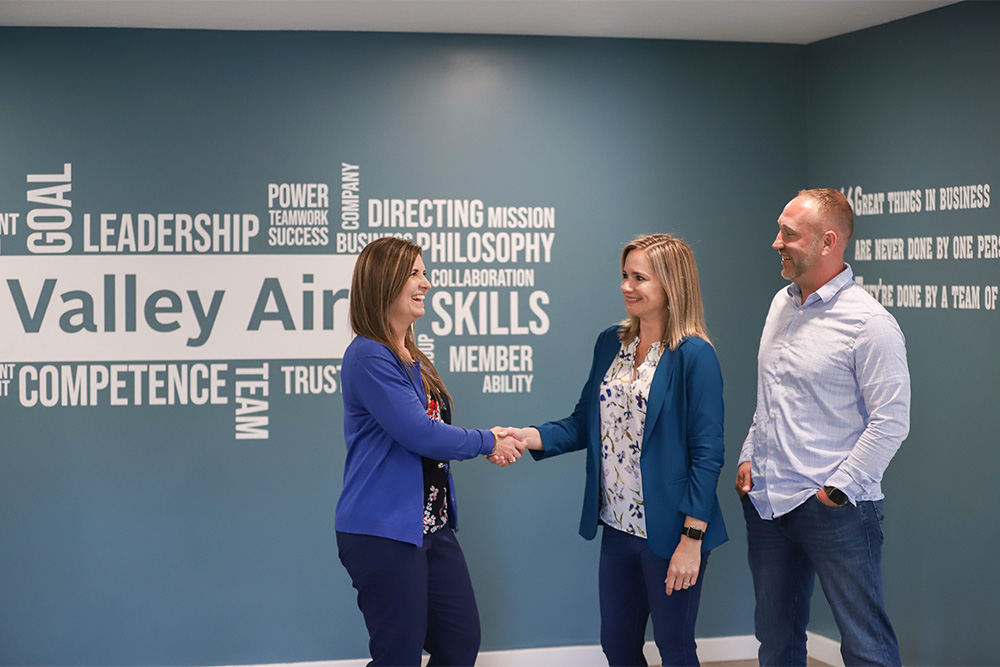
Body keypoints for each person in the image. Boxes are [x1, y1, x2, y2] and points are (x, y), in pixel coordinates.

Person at [503, 234, 727, 667]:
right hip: (618, 528)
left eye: (639, 278)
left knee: (675, 648)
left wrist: (691, 539)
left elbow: (708, 452)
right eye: (625, 275)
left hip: (672, 530)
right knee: (618, 647)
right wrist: (527, 435)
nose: (626, 286)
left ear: (670, 286)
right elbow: (583, 422)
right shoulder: (611, 342)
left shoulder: (695, 355)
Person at [737, 188, 910, 667]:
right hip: (770, 504)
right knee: (776, 643)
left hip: (836, 511)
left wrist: (837, 489)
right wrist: (750, 454)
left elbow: (891, 422)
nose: (776, 242)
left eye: (789, 235)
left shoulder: (870, 324)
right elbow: (771, 396)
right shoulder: (781, 304)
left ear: (828, 241)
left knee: (865, 645)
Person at [335, 237, 522, 667]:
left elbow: (433, 433)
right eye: (415, 274)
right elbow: (421, 434)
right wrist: (488, 441)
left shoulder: (410, 355)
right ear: (385, 283)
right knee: (397, 656)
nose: (427, 283)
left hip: (432, 528)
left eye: (424, 272)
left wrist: (486, 442)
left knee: (459, 643)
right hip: (384, 532)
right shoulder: (368, 356)